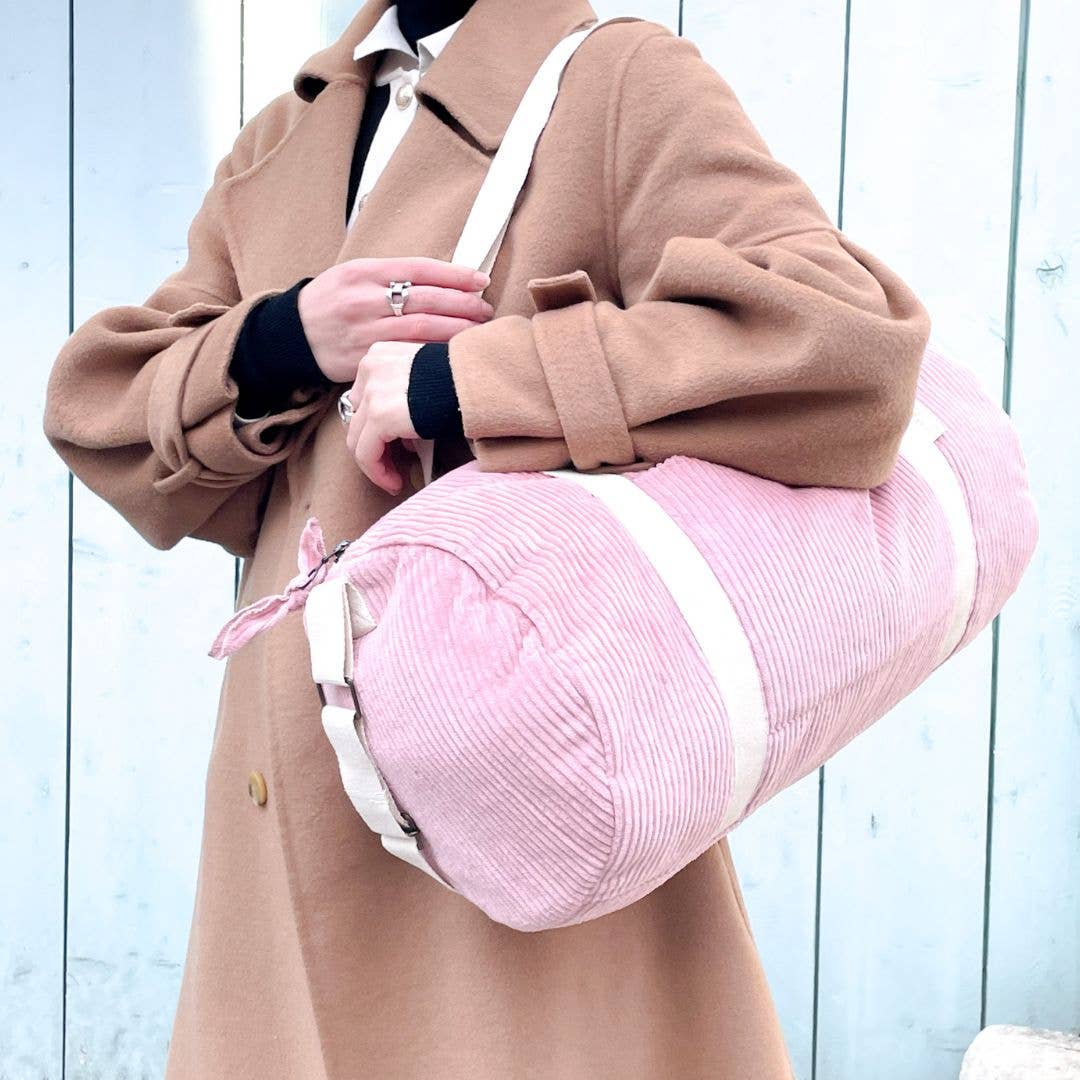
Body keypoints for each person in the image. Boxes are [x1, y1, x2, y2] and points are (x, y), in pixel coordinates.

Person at [42, 0, 932, 1076]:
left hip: (517, 783)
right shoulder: (289, 135)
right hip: (284, 806)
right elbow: (102, 416)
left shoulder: (615, 81)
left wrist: (463, 383)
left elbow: (842, 343)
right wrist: (285, 338)